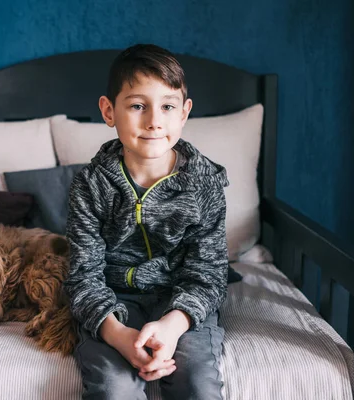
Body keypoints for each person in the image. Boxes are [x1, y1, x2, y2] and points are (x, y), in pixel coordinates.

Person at [64, 43, 229, 400]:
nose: (154, 120)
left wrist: (173, 325)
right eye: (138, 106)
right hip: (112, 301)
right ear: (109, 111)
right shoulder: (90, 185)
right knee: (113, 388)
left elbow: (209, 273)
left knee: (197, 383)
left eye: (167, 106)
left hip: (180, 302)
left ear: (184, 113)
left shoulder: (204, 184)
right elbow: (82, 276)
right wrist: (117, 334)